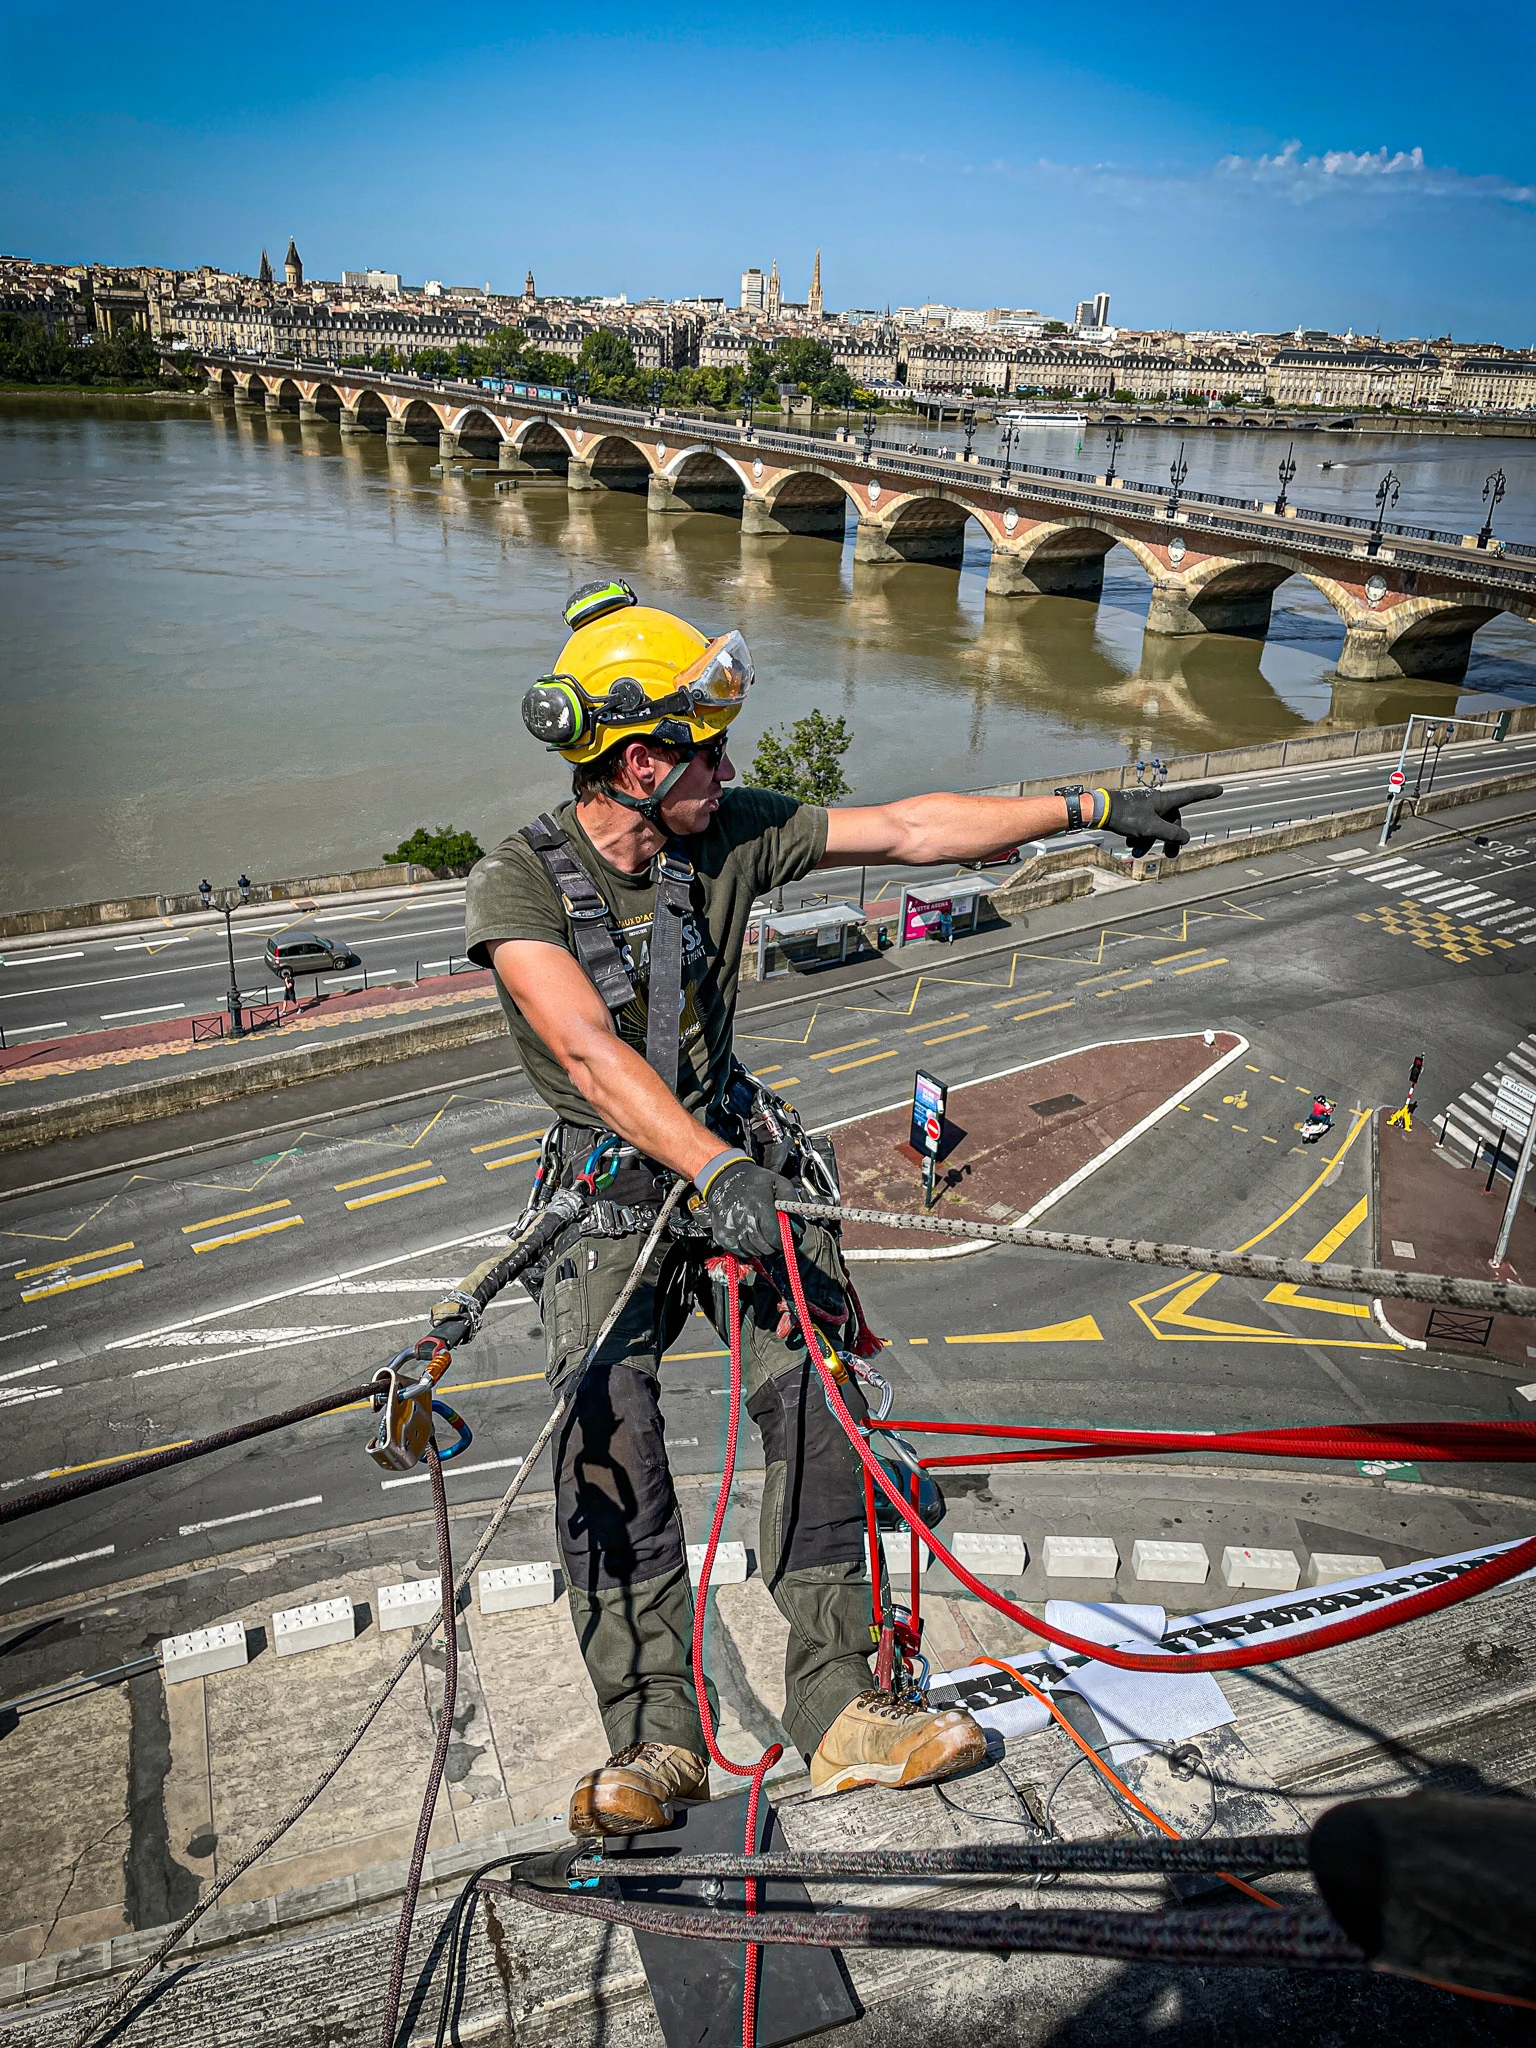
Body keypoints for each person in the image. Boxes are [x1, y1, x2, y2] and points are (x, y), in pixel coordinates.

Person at [464, 579, 1220, 1838]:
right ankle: (654, 1739)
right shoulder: (519, 887)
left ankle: (838, 1707)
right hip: (621, 1177)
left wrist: (1089, 805)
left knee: (816, 1399)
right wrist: (713, 1172)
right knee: (611, 1425)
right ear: (639, 759)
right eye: (704, 746)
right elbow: (592, 1051)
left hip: (733, 1159)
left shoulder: (730, 834)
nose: (729, 763)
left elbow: (918, 828)